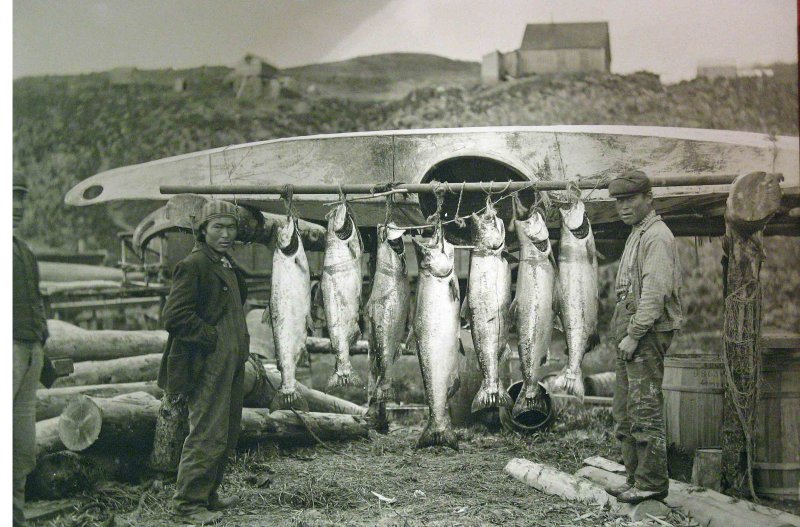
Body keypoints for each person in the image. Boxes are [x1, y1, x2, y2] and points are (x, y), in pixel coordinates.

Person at [157, 199, 250, 525]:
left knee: (226, 430)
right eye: (218, 227)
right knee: (206, 433)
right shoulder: (195, 264)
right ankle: (187, 504)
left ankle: (209, 493)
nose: (225, 234)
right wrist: (211, 339)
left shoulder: (225, 263)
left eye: (231, 227)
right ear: (203, 230)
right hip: (208, 362)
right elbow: (174, 316)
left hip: (231, 362)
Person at [606, 170, 683, 504]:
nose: (623, 207)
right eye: (619, 201)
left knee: (644, 409)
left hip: (646, 335)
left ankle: (651, 482)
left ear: (648, 198)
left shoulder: (657, 236)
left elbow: (654, 293)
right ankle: (635, 478)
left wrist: (634, 334)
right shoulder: (637, 233)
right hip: (631, 334)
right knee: (624, 410)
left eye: (630, 199)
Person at [13, 173, 49, 526]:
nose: (17, 207)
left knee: (22, 449)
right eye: (9, 198)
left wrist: (41, 341)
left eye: (21, 198)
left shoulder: (23, 251)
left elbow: (36, 303)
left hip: (29, 351)